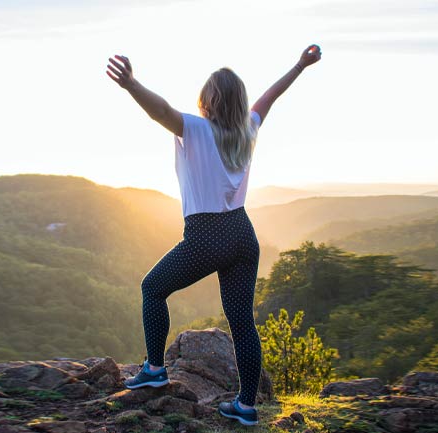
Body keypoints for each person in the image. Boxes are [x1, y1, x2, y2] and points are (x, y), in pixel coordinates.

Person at [106, 44, 321, 426]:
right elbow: (271, 95)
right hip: (243, 234)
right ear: (239, 101)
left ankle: (155, 368)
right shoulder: (248, 129)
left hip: (207, 235)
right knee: (242, 323)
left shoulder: (197, 128)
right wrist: (300, 65)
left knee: (152, 288)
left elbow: (162, 111)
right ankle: (246, 407)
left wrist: (131, 85)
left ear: (209, 99)